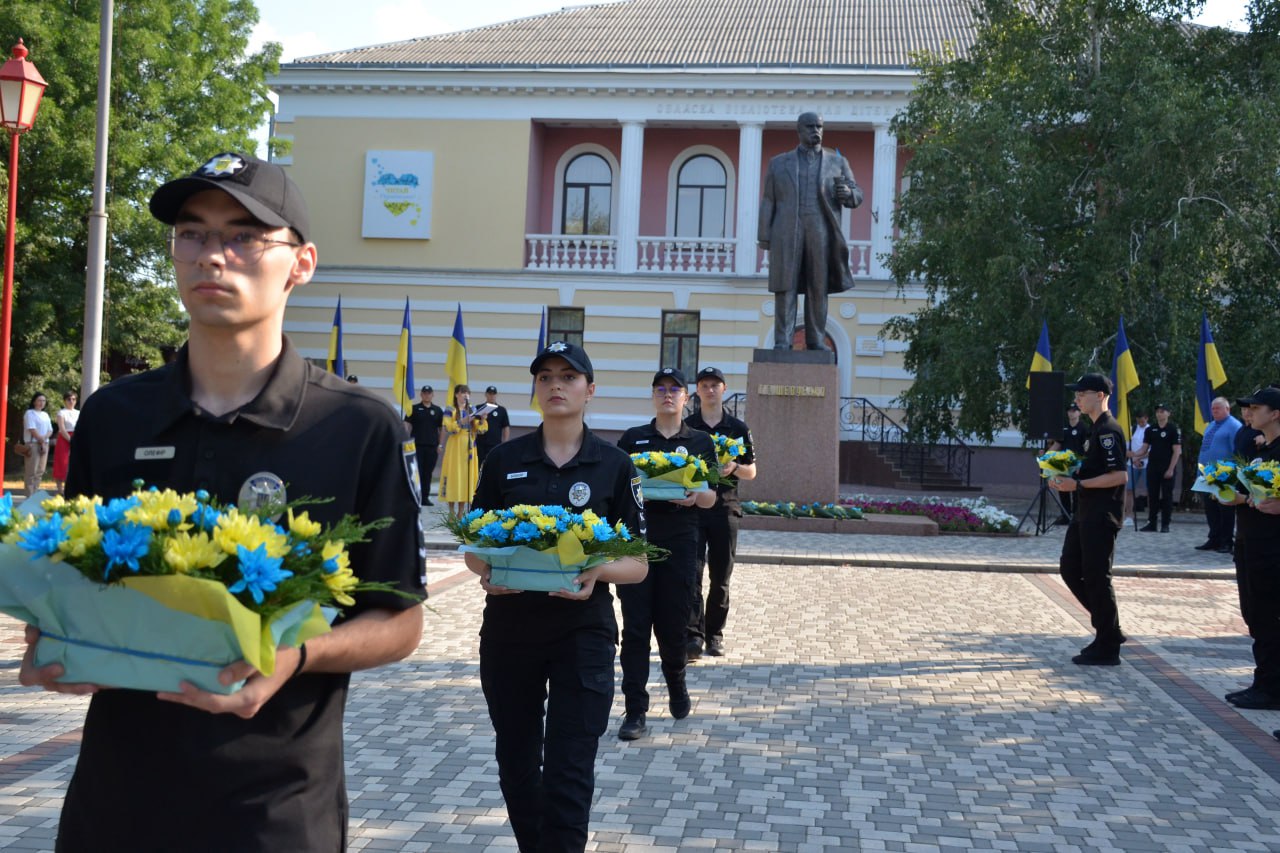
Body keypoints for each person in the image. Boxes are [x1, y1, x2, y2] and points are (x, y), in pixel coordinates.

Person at [19, 151, 425, 852]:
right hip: (116, 807)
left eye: (244, 236)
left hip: (274, 810)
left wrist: (294, 655)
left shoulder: (357, 426)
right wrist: (55, 638)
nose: (214, 256)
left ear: (300, 263)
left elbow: (400, 620)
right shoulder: (115, 416)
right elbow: (74, 583)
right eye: (193, 234)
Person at [464, 340, 647, 852]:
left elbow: (638, 563)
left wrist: (596, 572)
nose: (555, 386)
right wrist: (488, 572)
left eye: (568, 377)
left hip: (581, 631)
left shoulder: (614, 465)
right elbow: (473, 551)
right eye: (545, 377)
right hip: (510, 631)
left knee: (569, 768)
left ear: (590, 391)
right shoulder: (504, 461)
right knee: (517, 763)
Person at [615, 367, 718, 741]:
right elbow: (616, 491)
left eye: (675, 389)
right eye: (661, 389)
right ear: (653, 396)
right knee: (636, 629)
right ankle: (635, 711)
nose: (668, 395)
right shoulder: (633, 439)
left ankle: (676, 679)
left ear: (686, 397)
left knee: (674, 628)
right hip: (638, 544)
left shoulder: (701, 442)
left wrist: (695, 495)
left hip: (681, 540)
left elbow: (711, 497)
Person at [757, 112, 862, 350]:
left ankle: (816, 339)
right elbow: (768, 201)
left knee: (818, 286)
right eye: (811, 126)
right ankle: (782, 341)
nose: (816, 131)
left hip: (821, 230)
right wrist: (764, 234)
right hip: (786, 231)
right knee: (786, 287)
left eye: (820, 126)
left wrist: (849, 195)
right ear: (799, 130)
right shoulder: (778, 163)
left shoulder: (837, 162)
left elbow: (857, 195)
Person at [1047, 373, 1129, 666]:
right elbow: (1092, 469)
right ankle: (1109, 628)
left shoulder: (1108, 430)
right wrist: (1063, 474)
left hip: (1101, 515)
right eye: (1077, 394)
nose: (1077, 399)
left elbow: (1120, 476)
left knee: (1097, 577)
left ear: (1101, 395)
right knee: (1070, 568)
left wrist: (1078, 486)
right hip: (1085, 512)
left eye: (1083, 393)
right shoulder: (1092, 429)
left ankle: (1107, 644)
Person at [684, 366, 757, 658]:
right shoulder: (687, 426)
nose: (710, 389)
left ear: (724, 389)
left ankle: (715, 634)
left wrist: (734, 467)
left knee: (720, 577)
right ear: (698, 390)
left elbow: (752, 471)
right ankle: (693, 635)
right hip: (694, 511)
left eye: (715, 384)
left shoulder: (737, 429)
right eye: (704, 384)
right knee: (692, 574)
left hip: (726, 508)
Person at [1220, 387, 1280, 710]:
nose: (1249, 413)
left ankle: (1271, 688)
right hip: (1248, 539)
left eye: (1256, 408)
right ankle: (1264, 681)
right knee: (1253, 613)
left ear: (1275, 414)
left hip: (1270, 546)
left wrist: (1248, 500)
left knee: (1268, 615)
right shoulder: (1260, 447)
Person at [1197, 396, 1242, 553]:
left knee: (1225, 509)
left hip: (1225, 475)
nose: (1214, 411)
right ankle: (1214, 538)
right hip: (1208, 475)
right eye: (1213, 408)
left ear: (1227, 409)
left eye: (1218, 408)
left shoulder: (1234, 426)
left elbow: (1237, 452)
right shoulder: (1210, 426)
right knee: (1211, 509)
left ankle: (1226, 541)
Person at [440, 383, 488, 516]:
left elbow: (481, 429)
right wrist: (463, 420)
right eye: (463, 393)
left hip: (469, 446)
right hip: (455, 446)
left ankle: (461, 512)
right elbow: (448, 427)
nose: (466, 395)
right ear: (456, 395)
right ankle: (451, 511)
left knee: (465, 478)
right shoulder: (450, 409)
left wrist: (482, 420)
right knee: (453, 476)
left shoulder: (472, 409)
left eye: (468, 393)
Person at [1138, 403, 1181, 532]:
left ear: (1168, 413)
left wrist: (1171, 469)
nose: (1159, 413)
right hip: (1153, 468)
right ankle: (1152, 523)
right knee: (1152, 496)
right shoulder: (1150, 429)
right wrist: (1134, 455)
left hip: (1167, 467)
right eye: (1157, 411)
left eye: (1162, 411)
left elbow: (1177, 451)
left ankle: (1165, 524)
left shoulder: (1173, 429)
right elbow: (1144, 449)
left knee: (1167, 497)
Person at [1048, 403, 1088, 524]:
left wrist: (1081, 463)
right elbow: (1057, 444)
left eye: (1074, 411)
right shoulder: (1064, 428)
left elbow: (1087, 448)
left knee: (1077, 490)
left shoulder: (1083, 428)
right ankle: (1065, 516)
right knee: (1063, 489)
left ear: (1079, 413)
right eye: (1070, 411)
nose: (1072, 413)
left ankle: (1076, 517)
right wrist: (1046, 455)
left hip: (1077, 465)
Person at [405, 384, 444, 506]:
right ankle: (415, 496)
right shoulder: (414, 408)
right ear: (421, 395)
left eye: (429, 393)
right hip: (416, 446)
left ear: (432, 395)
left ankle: (425, 497)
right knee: (417, 472)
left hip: (432, 446)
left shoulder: (437, 410)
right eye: (425, 393)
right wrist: (406, 440)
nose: (427, 395)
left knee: (428, 473)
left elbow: (441, 429)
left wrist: (440, 445)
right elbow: (406, 425)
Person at [21, 392, 52, 496]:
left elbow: (50, 430)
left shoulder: (45, 414)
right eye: (39, 400)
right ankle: (29, 495)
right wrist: (41, 439)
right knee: (31, 471)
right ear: (34, 401)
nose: (41, 403)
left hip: (44, 444)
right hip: (33, 444)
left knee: (40, 471)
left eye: (43, 401)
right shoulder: (29, 413)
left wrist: (44, 439)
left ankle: (35, 493)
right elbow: (32, 429)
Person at [475, 384, 511, 466]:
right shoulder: (479, 408)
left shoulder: (501, 410)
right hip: (480, 444)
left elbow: (506, 427)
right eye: (490, 394)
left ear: (496, 395)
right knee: (479, 465)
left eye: (493, 394)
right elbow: (473, 425)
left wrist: (505, 443)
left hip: (495, 444)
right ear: (486, 394)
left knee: (493, 465)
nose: (492, 396)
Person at [51, 390, 79, 496]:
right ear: (64, 401)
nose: (71, 401)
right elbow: (62, 429)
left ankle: (72, 487)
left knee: (74, 463)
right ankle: (60, 489)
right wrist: (70, 440)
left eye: (73, 399)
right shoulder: (61, 412)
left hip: (76, 437)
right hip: (64, 438)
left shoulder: (78, 412)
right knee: (62, 462)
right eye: (69, 399)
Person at [1125, 409, 1149, 525]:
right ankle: (1129, 516)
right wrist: (1133, 459)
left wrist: (1139, 458)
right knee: (1129, 490)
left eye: (1143, 420)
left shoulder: (1150, 430)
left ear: (1147, 418)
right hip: (1132, 463)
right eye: (1139, 420)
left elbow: (1151, 449)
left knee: (1149, 490)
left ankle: (1151, 516)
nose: (1141, 422)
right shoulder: (1132, 430)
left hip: (1147, 463)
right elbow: (1126, 448)